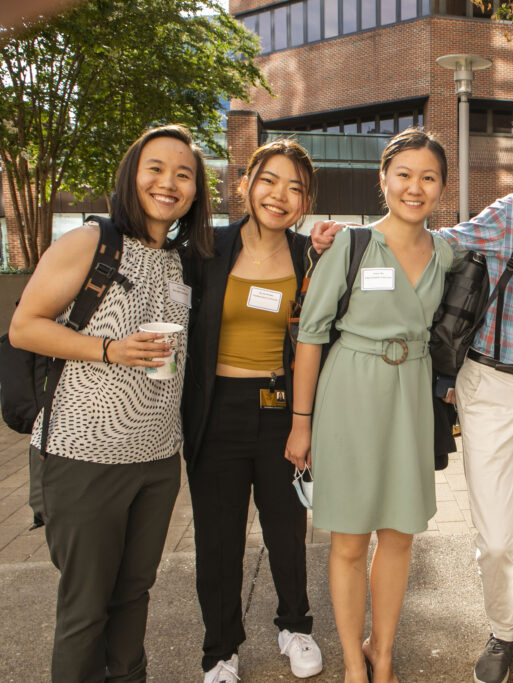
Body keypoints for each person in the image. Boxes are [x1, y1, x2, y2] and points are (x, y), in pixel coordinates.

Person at [313, 103, 513, 683]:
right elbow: (433, 240)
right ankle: (503, 631)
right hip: (488, 384)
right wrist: (342, 239)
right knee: (494, 540)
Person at [8, 124, 213, 681]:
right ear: (132, 176)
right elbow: (24, 327)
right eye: (156, 169)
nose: (168, 182)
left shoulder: (179, 260)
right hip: (83, 455)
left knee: (134, 596)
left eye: (183, 174)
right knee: (85, 610)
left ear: (195, 192)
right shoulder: (91, 243)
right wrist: (108, 349)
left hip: (155, 462)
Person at [285, 128, 455, 683]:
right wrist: (301, 424)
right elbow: (310, 336)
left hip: (410, 394)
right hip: (351, 393)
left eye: (428, 177)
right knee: (351, 537)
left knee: (400, 532)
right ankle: (352, 663)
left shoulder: (447, 253)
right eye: (403, 174)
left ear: (441, 188)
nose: (415, 187)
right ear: (382, 180)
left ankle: (382, 652)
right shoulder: (350, 245)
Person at [182, 139, 323, 683]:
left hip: (282, 408)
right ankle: (220, 651)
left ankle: (295, 625)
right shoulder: (204, 248)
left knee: (286, 527)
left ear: (305, 201)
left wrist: (305, 421)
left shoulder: (310, 253)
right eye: (270, 181)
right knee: (217, 538)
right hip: (217, 410)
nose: (280, 195)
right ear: (247, 183)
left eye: (295, 188)